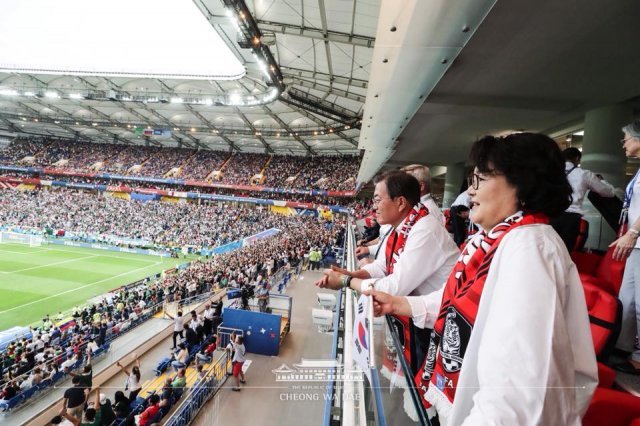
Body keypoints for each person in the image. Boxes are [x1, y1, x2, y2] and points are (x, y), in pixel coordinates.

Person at [364, 133, 597, 425]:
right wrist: (396, 304)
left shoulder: (530, 248)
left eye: (481, 179)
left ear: (521, 184)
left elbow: (518, 391)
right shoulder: (496, 239)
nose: (470, 191)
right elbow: (454, 302)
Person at [316, 170, 458, 372]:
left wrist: (346, 282)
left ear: (400, 203)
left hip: (436, 326)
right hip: (420, 319)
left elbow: (393, 288)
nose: (373, 206)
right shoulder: (402, 226)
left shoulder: (424, 230)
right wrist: (350, 274)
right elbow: (382, 266)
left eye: (377, 200)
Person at [612, 119, 640, 375]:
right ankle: (623, 348)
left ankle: (638, 357)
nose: (623, 144)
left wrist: (633, 233)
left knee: (639, 301)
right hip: (636, 243)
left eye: (626, 139)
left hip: (638, 239)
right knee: (628, 298)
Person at [550, 146, 615, 250]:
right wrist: (601, 181)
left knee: (545, 250)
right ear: (577, 158)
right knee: (565, 252)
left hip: (549, 215)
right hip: (570, 219)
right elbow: (608, 193)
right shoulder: (584, 174)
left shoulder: (551, 172)